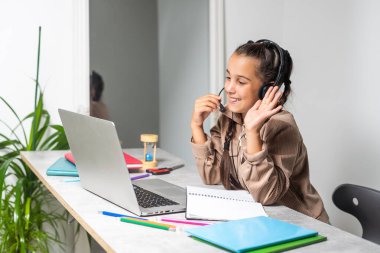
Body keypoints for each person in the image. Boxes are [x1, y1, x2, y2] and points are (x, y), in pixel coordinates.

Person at [190, 40, 329, 223]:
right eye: (229, 77)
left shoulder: (281, 126)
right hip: (262, 220)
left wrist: (252, 133)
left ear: (267, 89)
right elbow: (212, 175)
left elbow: (266, 195)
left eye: (241, 81)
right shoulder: (229, 118)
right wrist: (196, 125)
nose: (230, 88)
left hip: (301, 223)